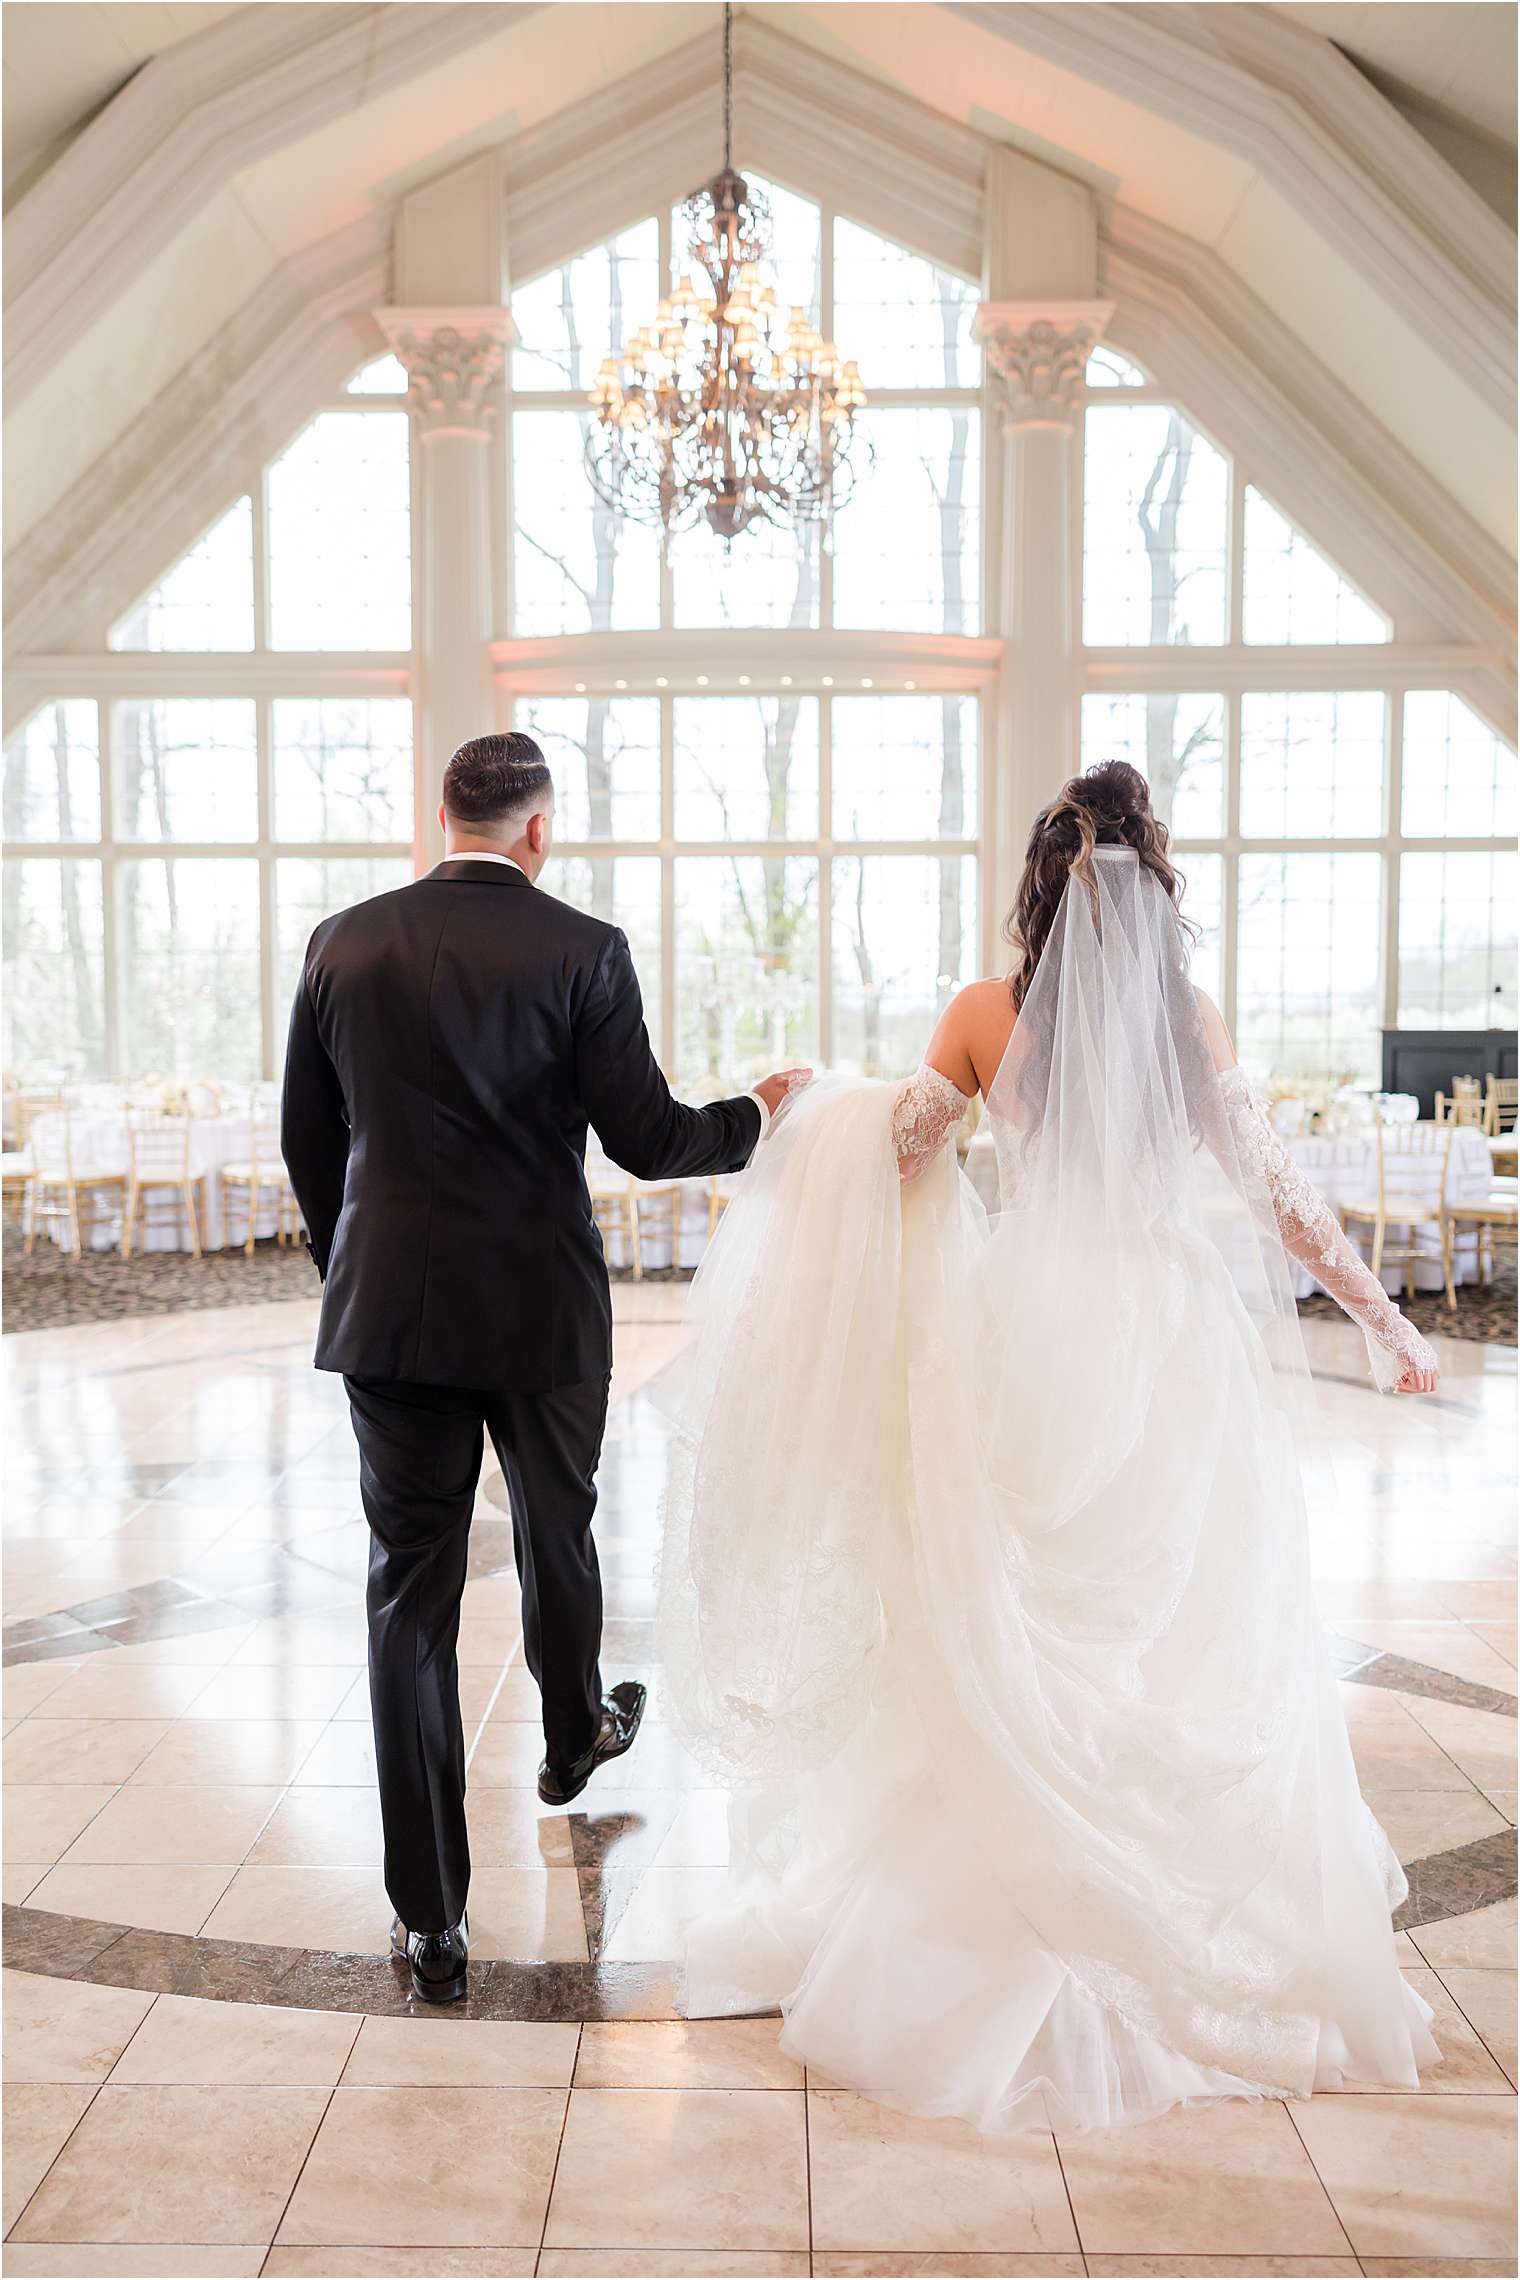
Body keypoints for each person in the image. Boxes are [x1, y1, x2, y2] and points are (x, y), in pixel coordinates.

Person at [659, 759, 1441, 2133]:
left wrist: (807, 1106)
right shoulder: (1188, 1025)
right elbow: (1283, 1204)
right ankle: (1169, 1906)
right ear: (1157, 889)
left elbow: (900, 1148)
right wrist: (1384, 1320)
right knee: (1176, 1626)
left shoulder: (982, 1014)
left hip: (1025, 1329)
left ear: (1039, 882)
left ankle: (1000, 1902)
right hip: (1168, 1337)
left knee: (1012, 1620)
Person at [281, 731, 800, 2003]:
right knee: (559, 1529)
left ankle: (431, 1920)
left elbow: (307, 1133)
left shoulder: (340, 941)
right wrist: (760, 1113)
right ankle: (574, 1737)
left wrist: (346, 1256)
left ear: (443, 813)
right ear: (537, 830)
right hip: (538, 1310)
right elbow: (645, 1137)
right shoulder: (582, 949)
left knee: (409, 1596)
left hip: (389, 1315)